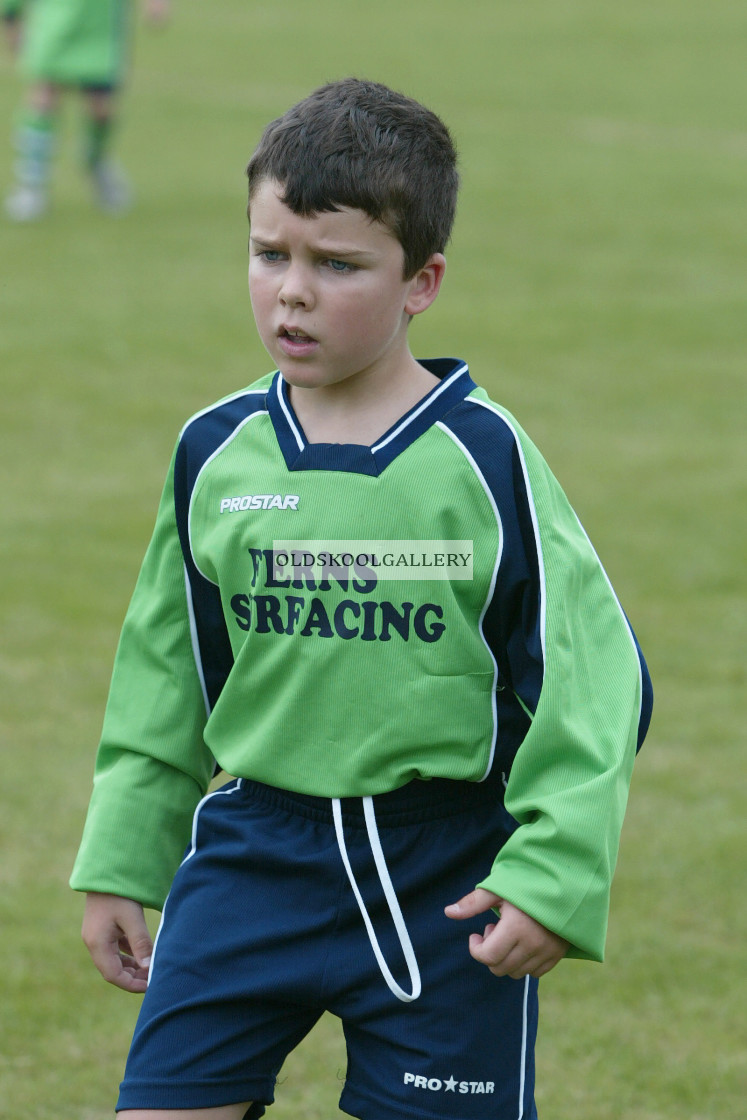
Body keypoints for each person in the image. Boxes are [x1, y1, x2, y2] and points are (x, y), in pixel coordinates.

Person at [70, 78, 653, 1120]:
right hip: (252, 858)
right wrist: (124, 850)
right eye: (269, 253)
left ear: (421, 279)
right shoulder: (215, 452)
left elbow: (593, 677)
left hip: (444, 879)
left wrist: (554, 867)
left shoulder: (483, 460)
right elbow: (168, 666)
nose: (292, 290)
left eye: (336, 264)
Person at [1, 0, 169, 222]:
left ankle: (95, 160)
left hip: (101, 29)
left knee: (102, 110)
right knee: (43, 98)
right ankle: (32, 185)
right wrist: (11, 16)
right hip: (54, 26)